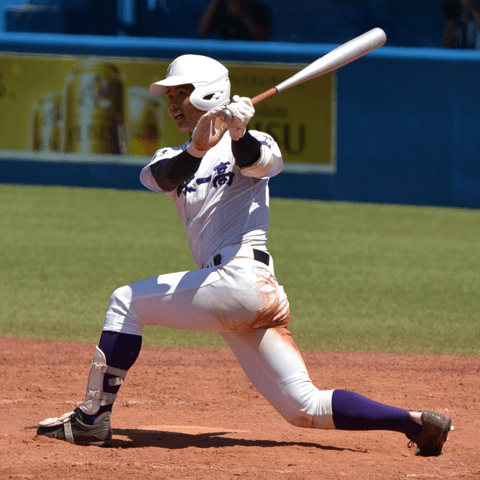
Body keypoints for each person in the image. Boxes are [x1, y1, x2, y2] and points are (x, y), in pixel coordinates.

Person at [37, 54, 453, 456]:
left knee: (125, 301)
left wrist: (239, 133)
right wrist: (198, 147)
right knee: (303, 407)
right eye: (168, 97)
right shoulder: (172, 156)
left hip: (243, 278)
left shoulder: (255, 142)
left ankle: (91, 418)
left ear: (206, 94)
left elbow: (258, 162)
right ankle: (416, 424)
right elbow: (166, 176)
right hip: (234, 292)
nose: (171, 105)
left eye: (180, 94)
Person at [198, 0, 271, 41]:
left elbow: (262, 39)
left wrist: (243, 15)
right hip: (225, 55)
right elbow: (202, 31)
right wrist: (214, 3)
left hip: (251, 57)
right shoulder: (222, 9)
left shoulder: (260, 9)